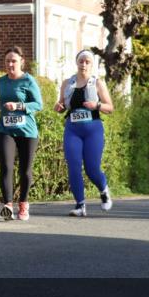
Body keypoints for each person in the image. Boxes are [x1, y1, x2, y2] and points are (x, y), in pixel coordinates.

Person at [53, 50, 114, 217]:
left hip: (93, 129)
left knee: (92, 169)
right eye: (81, 61)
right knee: (73, 166)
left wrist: (97, 105)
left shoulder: (98, 83)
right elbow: (62, 104)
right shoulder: (67, 83)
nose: (84, 64)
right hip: (72, 129)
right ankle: (80, 205)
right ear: (76, 63)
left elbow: (110, 107)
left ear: (91, 64)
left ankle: (103, 189)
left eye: (87, 61)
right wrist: (58, 107)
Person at [0, 46, 43, 221]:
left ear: (21, 62)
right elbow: (1, 100)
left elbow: (38, 104)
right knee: (6, 167)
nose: (10, 64)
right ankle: (7, 205)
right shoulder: (1, 81)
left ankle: (23, 205)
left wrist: (19, 106)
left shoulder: (28, 81)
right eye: (8, 61)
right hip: (5, 129)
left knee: (25, 171)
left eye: (14, 61)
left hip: (27, 132)